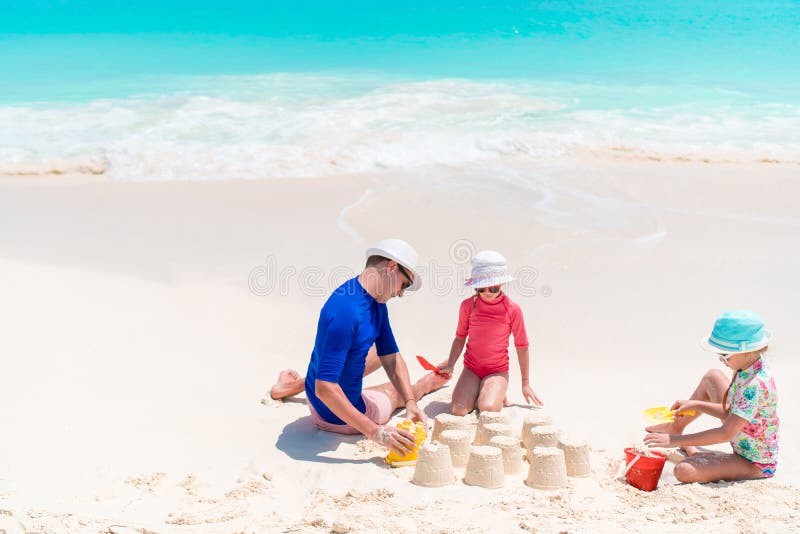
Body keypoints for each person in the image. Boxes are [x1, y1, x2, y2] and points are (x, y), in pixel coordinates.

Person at [274, 238, 448, 456]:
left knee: (366, 350)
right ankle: (425, 384)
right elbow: (325, 388)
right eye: (405, 284)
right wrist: (376, 432)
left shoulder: (366, 298)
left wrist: (411, 404)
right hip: (335, 417)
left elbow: (391, 356)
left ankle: (287, 388)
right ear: (391, 267)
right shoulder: (347, 313)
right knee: (393, 392)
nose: (402, 293)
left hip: (314, 391)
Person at [644, 310, 779, 483]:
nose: (721, 359)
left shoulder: (756, 385)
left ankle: (689, 448)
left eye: (725, 355)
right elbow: (734, 411)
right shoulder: (747, 366)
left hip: (753, 462)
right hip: (740, 430)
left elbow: (726, 433)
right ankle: (675, 428)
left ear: (747, 351)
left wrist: (673, 441)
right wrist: (697, 405)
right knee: (713, 376)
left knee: (684, 471)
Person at [438, 250, 542, 415]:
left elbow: (522, 346)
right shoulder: (467, 306)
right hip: (471, 368)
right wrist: (451, 363)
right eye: (481, 288)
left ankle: (496, 389)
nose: (487, 292)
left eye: (493, 288)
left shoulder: (512, 309)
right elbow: (459, 338)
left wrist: (525, 383)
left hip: (497, 370)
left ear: (501, 284)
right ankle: (486, 389)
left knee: (488, 408)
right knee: (459, 409)